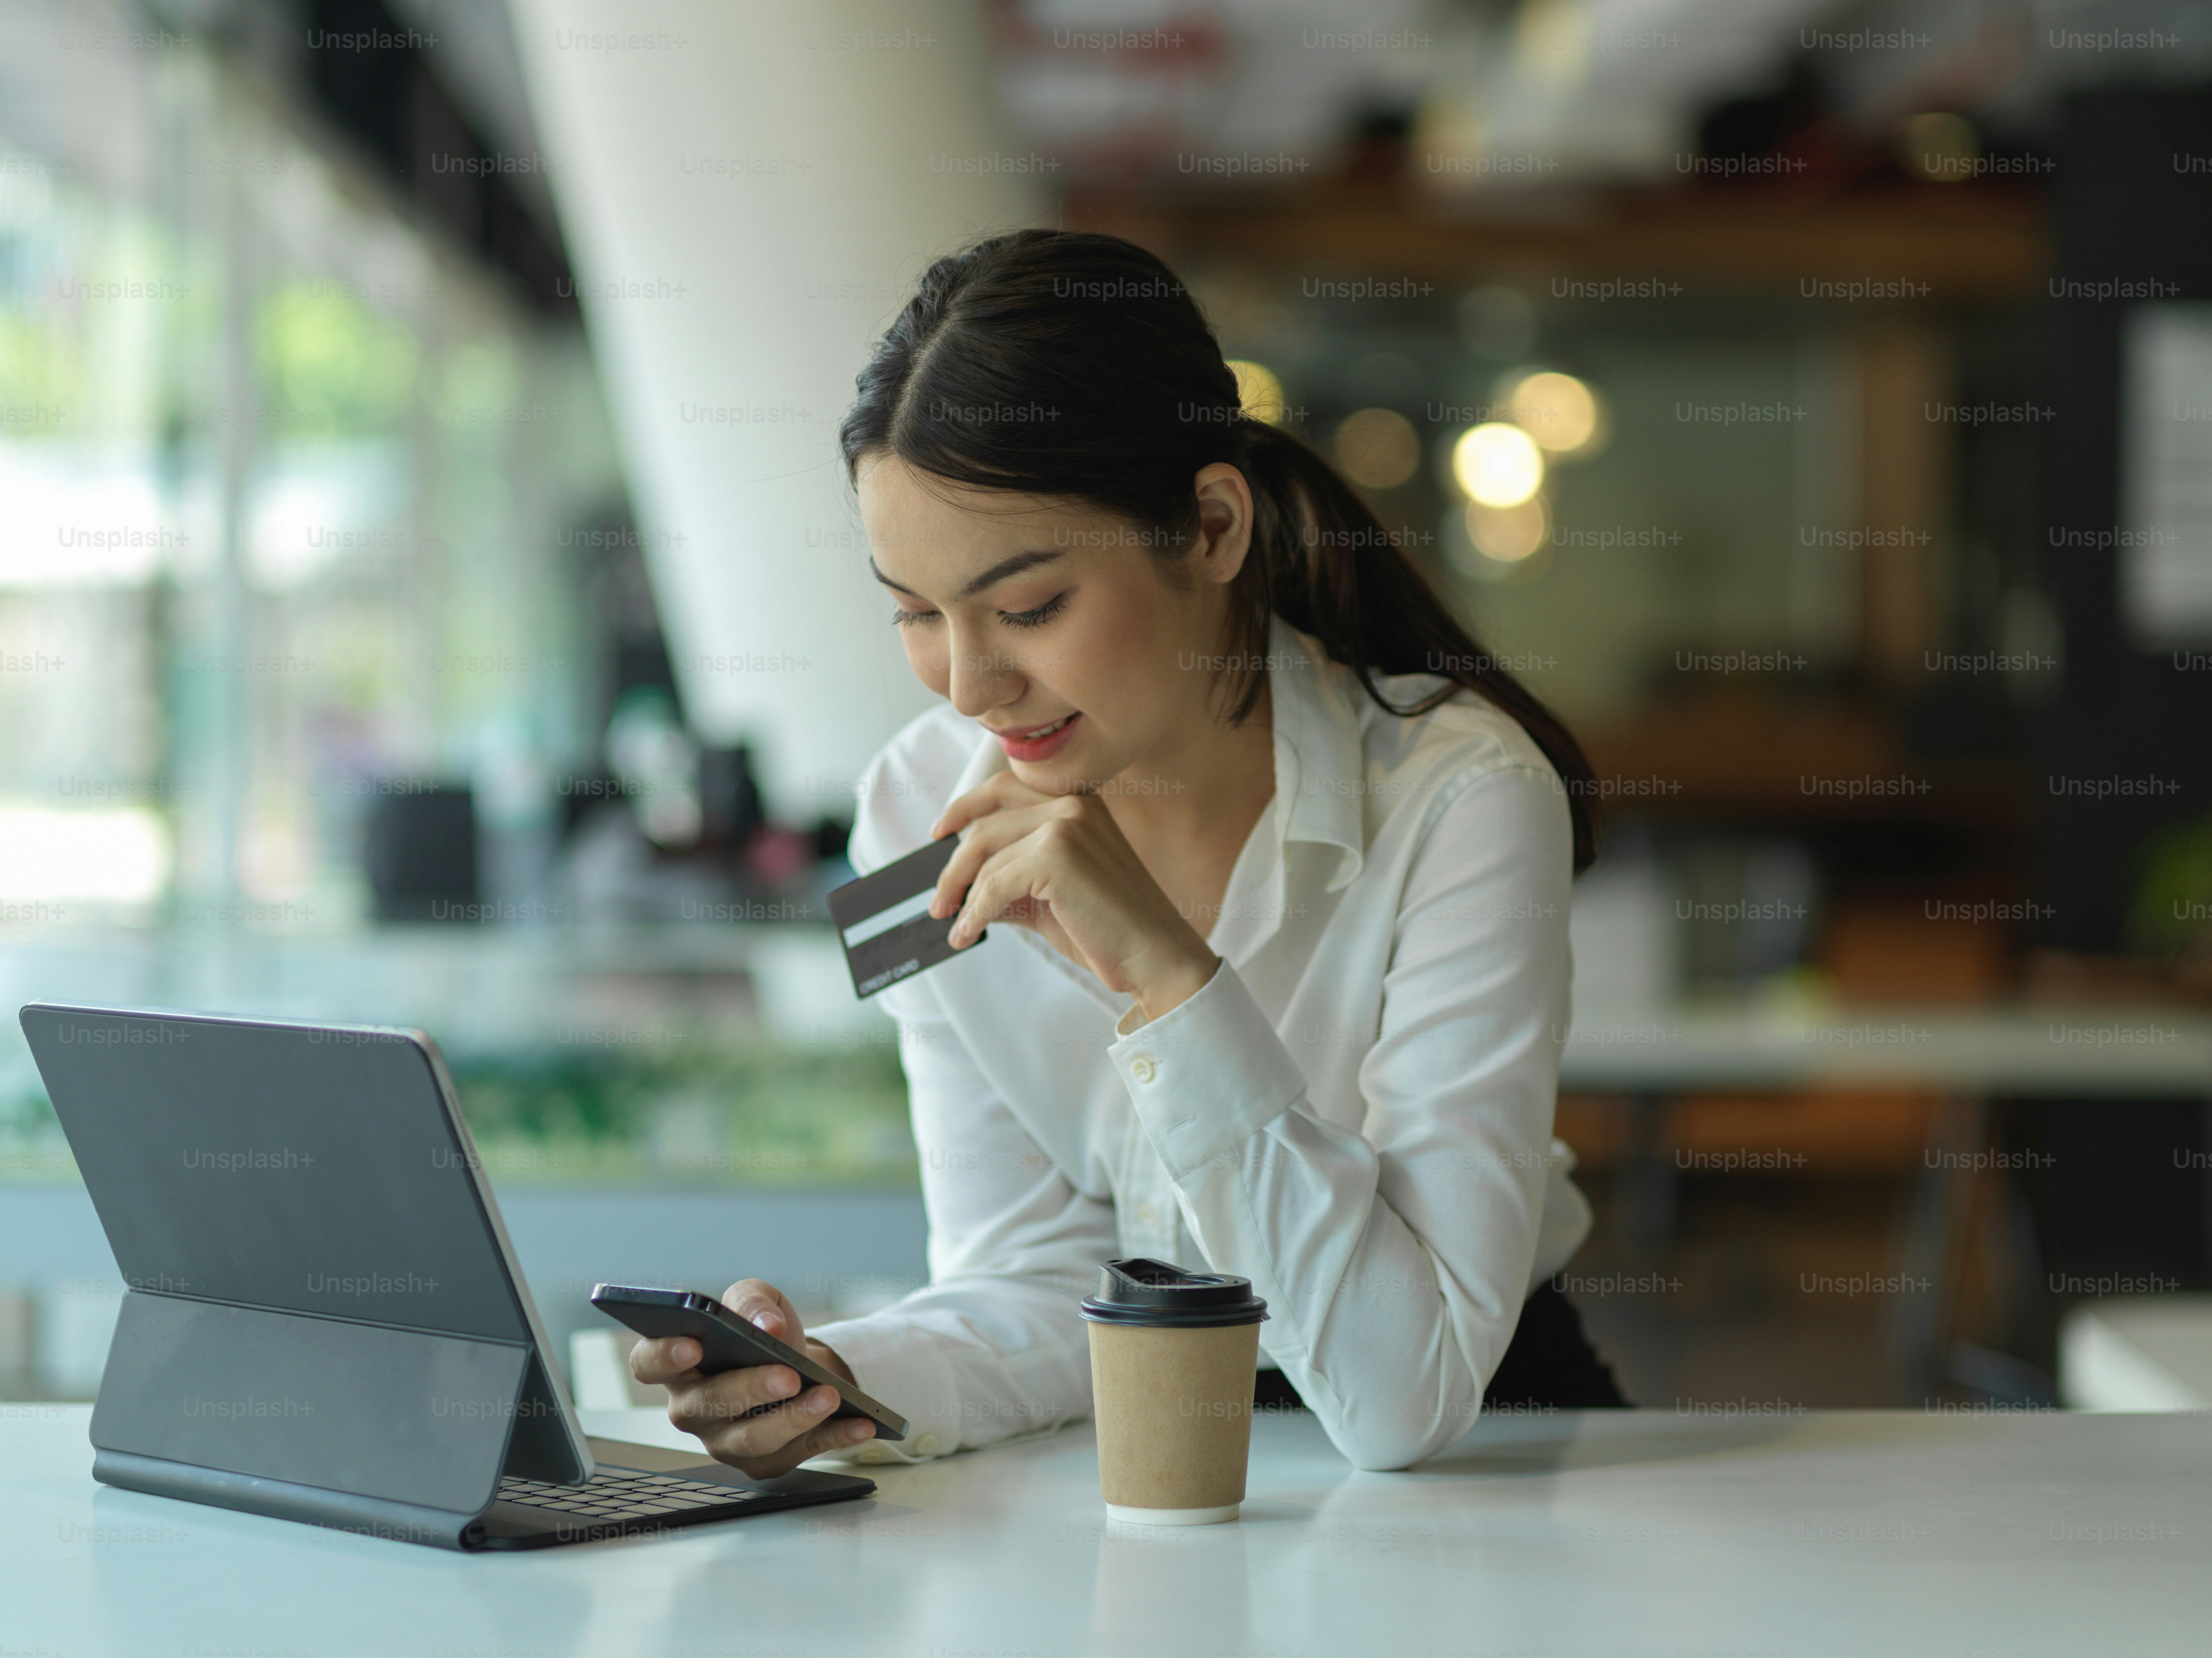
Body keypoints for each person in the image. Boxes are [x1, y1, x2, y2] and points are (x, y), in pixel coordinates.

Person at [629, 229, 1626, 1476]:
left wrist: (1167, 977)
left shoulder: (1462, 800)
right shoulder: (909, 811)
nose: (974, 685)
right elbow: (1034, 1282)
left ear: (1211, 526)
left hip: (1481, 1447)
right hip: (1128, 1432)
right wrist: (840, 1378)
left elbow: (1402, 1392)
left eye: (1030, 607)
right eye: (914, 613)